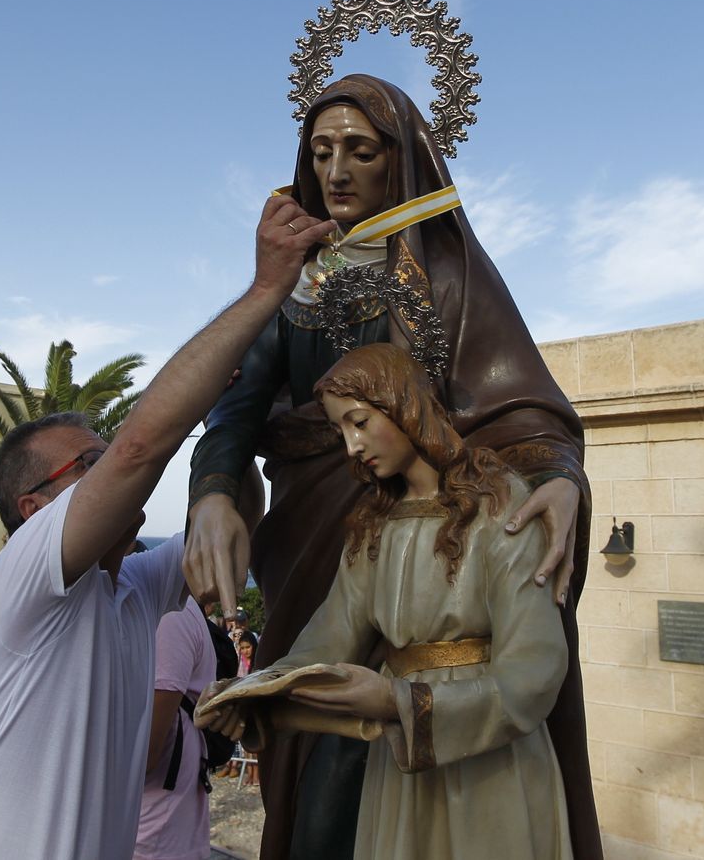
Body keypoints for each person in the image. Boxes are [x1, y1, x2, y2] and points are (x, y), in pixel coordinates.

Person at [183, 74, 597, 860]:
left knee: (374, 778)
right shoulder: (297, 283)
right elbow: (236, 406)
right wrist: (213, 492)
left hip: (443, 547)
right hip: (322, 535)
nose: (337, 170)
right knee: (314, 774)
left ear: (397, 160)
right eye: (322, 151)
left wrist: (559, 479)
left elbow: (520, 406)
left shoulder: (443, 274)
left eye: (361, 151)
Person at [0, 195, 336, 860]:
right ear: (35, 510)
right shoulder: (26, 578)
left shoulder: (132, 588)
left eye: (104, 457)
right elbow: (141, 448)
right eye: (88, 463)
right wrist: (268, 288)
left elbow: (238, 515)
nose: (113, 471)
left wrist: (233, 416)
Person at [201, 344, 572, 859]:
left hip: (487, 756)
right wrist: (254, 696)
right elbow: (326, 641)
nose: (352, 447)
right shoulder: (373, 524)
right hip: (403, 760)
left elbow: (535, 670)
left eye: (359, 422)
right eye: (341, 432)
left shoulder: (499, 503)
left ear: (404, 405)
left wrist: (399, 702)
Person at [134, 603, 217, 860]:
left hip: (153, 837)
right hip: (154, 828)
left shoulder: (172, 615)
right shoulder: (158, 605)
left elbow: (145, 753)